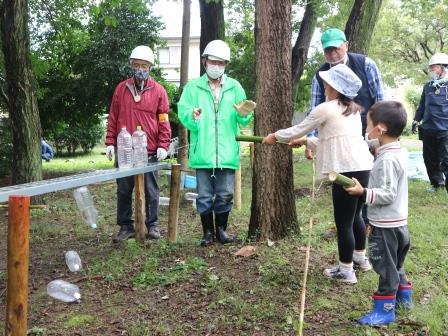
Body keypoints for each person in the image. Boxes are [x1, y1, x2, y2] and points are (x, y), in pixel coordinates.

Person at [263, 64, 373, 284]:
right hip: (362, 166)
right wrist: (306, 142)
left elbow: (298, 128)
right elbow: (334, 139)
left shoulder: (325, 108)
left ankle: (346, 270)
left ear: (334, 86)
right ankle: (360, 258)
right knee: (356, 216)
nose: (324, 85)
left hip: (344, 170)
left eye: (327, 82)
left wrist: (275, 136)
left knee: (343, 222)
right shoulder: (351, 110)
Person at [178, 39, 254, 247]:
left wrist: (244, 113)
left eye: (221, 63)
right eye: (213, 62)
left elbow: (243, 119)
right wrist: (192, 116)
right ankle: (207, 233)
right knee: (204, 195)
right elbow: (184, 114)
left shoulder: (235, 87)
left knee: (225, 193)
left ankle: (221, 230)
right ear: (205, 62)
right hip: (202, 151)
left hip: (227, 152)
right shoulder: (193, 87)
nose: (217, 66)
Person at [345, 101, 412, 326]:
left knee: (385, 267)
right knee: (396, 265)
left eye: (368, 125)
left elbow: (387, 194)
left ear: (380, 129)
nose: (366, 130)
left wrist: (362, 192)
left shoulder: (387, 159)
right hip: (400, 224)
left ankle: (384, 310)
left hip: (385, 226)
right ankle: (404, 299)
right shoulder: (399, 151)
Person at [105, 45, 171, 243]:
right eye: (136, 65)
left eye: (144, 65)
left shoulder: (159, 91)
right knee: (124, 190)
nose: (140, 68)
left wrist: (163, 145)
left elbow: (164, 121)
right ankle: (126, 226)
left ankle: (153, 225)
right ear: (131, 66)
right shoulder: (121, 88)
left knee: (151, 190)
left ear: (150, 67)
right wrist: (110, 142)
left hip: (149, 150)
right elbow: (113, 117)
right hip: (125, 150)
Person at [412, 52, 448, 193]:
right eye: (430, 68)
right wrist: (416, 119)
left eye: (433, 68)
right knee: (429, 159)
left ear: (443, 68)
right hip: (428, 128)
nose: (431, 70)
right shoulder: (428, 86)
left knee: (446, 160)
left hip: (445, 129)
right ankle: (437, 184)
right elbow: (422, 105)